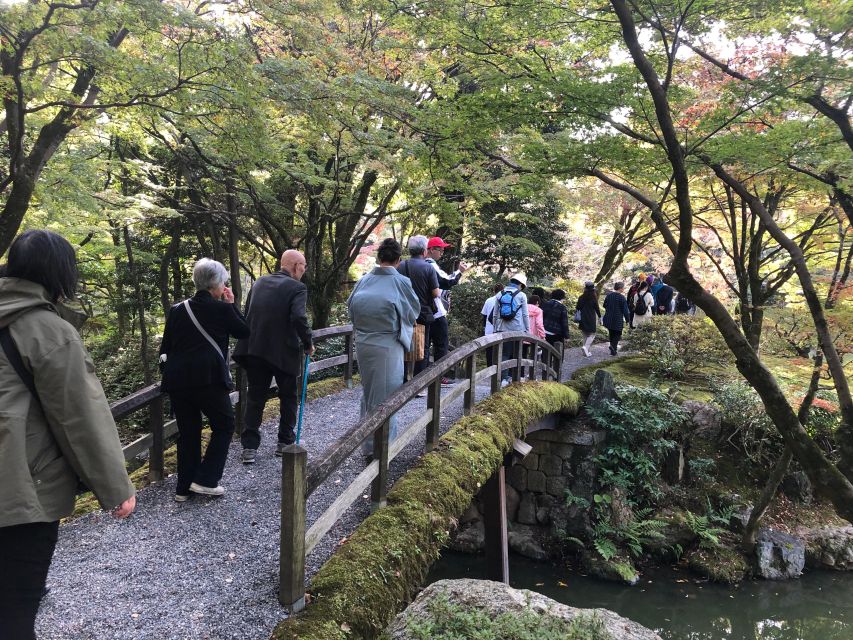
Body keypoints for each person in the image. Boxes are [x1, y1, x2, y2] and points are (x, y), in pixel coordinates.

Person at [0, 230, 136, 639]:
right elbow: (79, 417)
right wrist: (115, 488)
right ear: (61, 274)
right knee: (15, 611)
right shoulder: (46, 331)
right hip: (20, 493)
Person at [159, 258, 250, 500]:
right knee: (225, 425)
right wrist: (231, 305)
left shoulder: (177, 310)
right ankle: (206, 479)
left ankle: (183, 489)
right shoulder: (220, 309)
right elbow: (244, 331)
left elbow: (165, 348)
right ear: (216, 284)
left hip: (178, 381)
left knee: (188, 432)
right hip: (208, 379)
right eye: (224, 283)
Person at [233, 250, 315, 464]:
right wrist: (308, 342)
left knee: (255, 397)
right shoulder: (297, 287)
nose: (304, 271)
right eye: (304, 266)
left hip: (255, 348)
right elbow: (298, 316)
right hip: (283, 352)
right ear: (296, 265)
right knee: (288, 396)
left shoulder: (259, 282)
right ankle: (284, 443)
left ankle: (249, 447)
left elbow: (248, 312)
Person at [348, 239, 419, 456]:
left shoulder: (364, 280)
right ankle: (381, 449)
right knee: (386, 395)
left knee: (370, 393)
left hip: (363, 343)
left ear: (379, 258)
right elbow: (412, 312)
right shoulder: (402, 282)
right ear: (399, 260)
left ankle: (368, 445)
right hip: (387, 344)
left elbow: (351, 309)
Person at [424, 236, 468, 384]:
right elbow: (447, 282)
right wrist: (459, 271)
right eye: (439, 249)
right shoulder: (430, 265)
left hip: (424, 311)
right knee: (441, 345)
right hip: (435, 312)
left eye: (443, 249)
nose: (442, 252)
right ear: (430, 250)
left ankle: (424, 377)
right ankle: (438, 376)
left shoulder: (419, 265)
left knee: (424, 345)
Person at [397, 236, 440, 378]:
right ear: (424, 251)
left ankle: (402, 380)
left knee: (403, 345)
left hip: (403, 313)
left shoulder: (401, 265)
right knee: (423, 347)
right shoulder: (428, 267)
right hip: (422, 313)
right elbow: (435, 293)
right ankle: (419, 383)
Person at [492, 272, 530, 386]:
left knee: (504, 354)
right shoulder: (521, 295)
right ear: (521, 284)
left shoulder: (500, 293)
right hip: (517, 329)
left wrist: (495, 328)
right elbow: (525, 315)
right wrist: (527, 330)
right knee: (517, 354)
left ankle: (503, 380)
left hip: (502, 329)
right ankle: (516, 379)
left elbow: (495, 314)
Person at [602, 282, 631, 356]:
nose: (623, 289)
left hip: (608, 317)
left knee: (611, 333)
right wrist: (628, 320)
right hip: (617, 318)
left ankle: (613, 350)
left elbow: (604, 305)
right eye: (623, 288)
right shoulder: (622, 298)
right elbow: (625, 310)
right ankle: (613, 347)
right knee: (618, 333)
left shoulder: (609, 296)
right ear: (620, 288)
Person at [575, 281, 601, 357]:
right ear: (593, 289)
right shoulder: (593, 297)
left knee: (585, 334)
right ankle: (586, 348)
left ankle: (585, 351)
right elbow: (597, 308)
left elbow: (577, 308)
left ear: (585, 288)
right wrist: (599, 317)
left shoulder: (581, 297)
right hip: (591, 318)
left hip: (583, 317)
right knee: (592, 334)